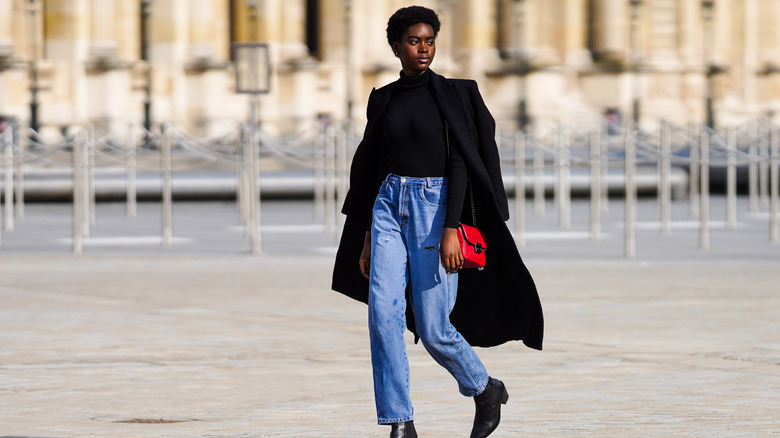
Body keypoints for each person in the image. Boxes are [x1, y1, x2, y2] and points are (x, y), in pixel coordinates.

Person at [331, 6, 544, 438]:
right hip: (388, 205)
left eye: (429, 40)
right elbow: (373, 169)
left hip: (436, 208)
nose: (424, 48)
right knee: (383, 317)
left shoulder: (455, 94)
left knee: (433, 327)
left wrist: (451, 227)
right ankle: (400, 422)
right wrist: (369, 234)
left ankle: (484, 388)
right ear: (396, 46)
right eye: (414, 41)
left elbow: (461, 164)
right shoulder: (384, 98)